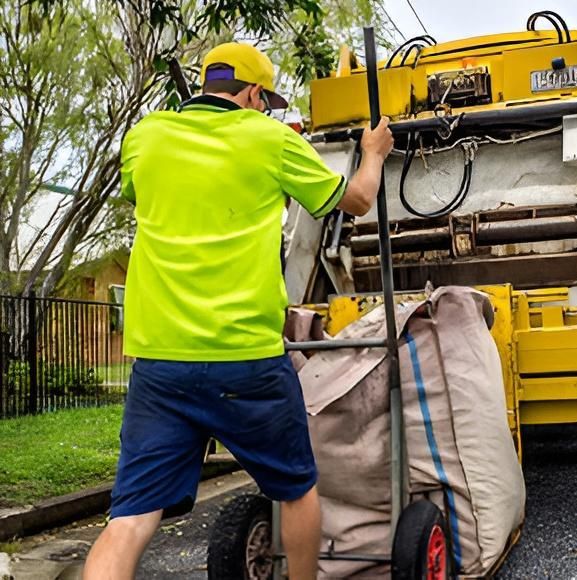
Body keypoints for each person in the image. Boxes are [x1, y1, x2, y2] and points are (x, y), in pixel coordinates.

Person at [83, 42, 394, 580]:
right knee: (296, 490)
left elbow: (147, 194)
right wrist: (373, 153)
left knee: (130, 516)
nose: (266, 109)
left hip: (159, 362)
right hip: (245, 358)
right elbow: (359, 201)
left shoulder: (146, 135)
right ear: (252, 93)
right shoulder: (271, 140)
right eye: (265, 100)